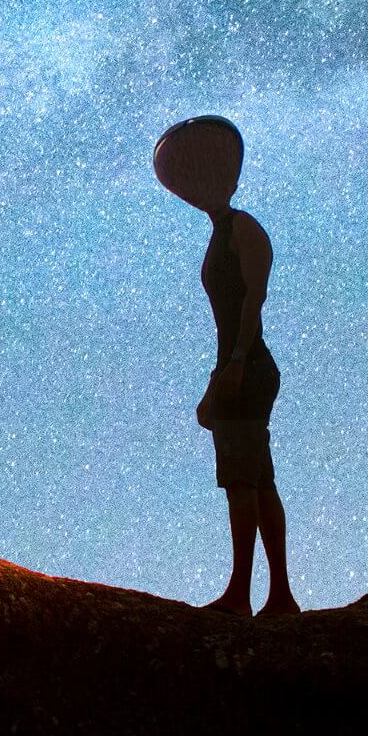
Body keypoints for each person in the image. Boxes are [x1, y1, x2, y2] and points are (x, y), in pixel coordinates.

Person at [152, 114, 300, 617]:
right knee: (258, 479)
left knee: (242, 480)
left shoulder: (243, 228)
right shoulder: (220, 234)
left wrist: (235, 363)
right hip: (238, 366)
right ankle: (278, 594)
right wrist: (215, 382)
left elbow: (253, 299)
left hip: (250, 364)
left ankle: (242, 593)